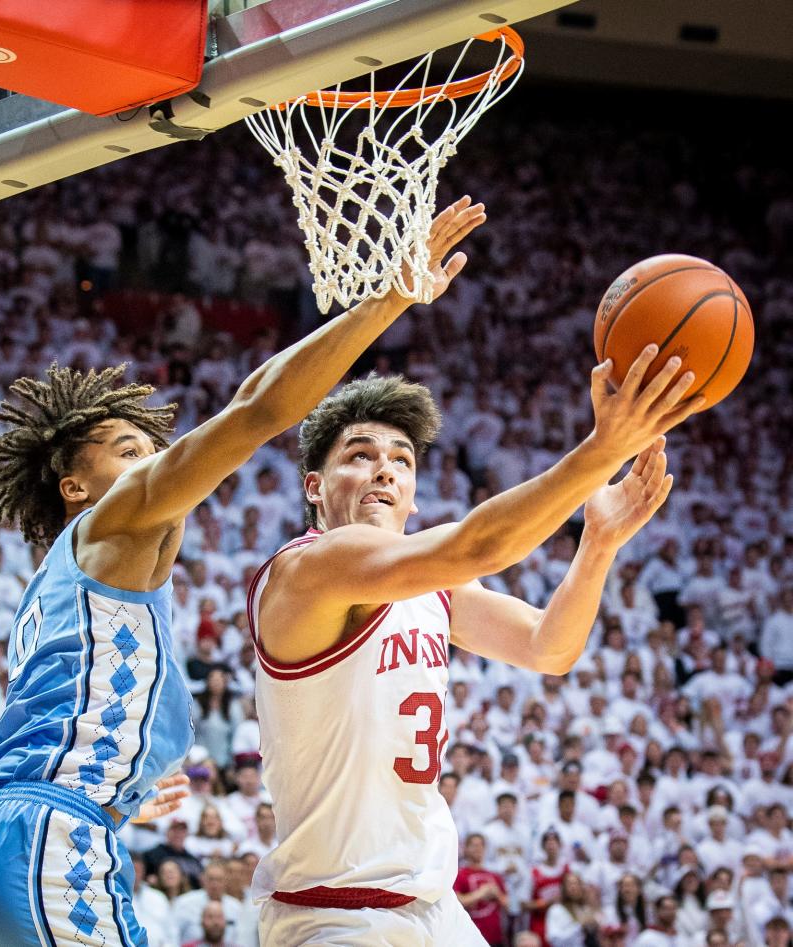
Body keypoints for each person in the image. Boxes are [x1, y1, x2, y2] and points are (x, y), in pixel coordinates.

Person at [0, 195, 489, 945]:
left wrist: (115, 796)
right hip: (40, 836)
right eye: (128, 450)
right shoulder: (115, 518)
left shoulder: (64, 580)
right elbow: (258, 410)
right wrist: (391, 296)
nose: (153, 461)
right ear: (75, 486)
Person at [248, 351, 700, 947]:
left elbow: (549, 648)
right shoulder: (306, 569)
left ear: (413, 498)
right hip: (334, 915)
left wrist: (598, 545)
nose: (385, 469)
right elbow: (479, 546)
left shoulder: (436, 588)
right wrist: (603, 451)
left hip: (435, 909)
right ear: (315, 486)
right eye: (360, 455)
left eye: (401, 461)